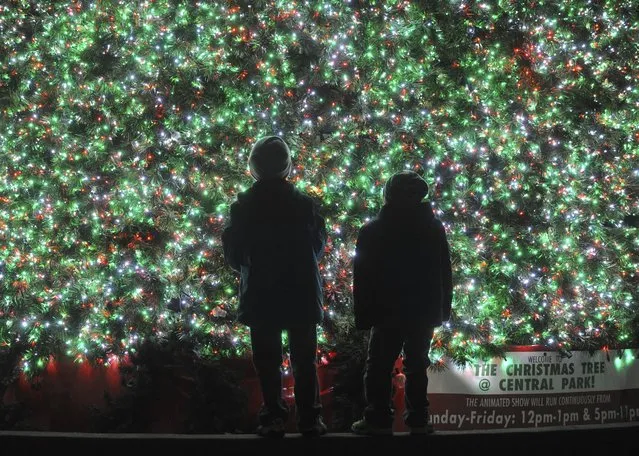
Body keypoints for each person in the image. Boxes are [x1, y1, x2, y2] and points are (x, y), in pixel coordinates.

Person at [221, 136, 328, 438]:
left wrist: (250, 265)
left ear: (253, 168)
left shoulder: (243, 207)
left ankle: (273, 419)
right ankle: (310, 418)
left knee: (267, 361)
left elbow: (234, 253)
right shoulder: (304, 205)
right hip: (301, 293)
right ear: (287, 167)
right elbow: (317, 247)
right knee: (304, 360)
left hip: (261, 293)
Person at [350, 170, 453, 436]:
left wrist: (363, 315)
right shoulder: (432, 228)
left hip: (387, 312)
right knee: (417, 364)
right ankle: (418, 419)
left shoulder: (373, 231)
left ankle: (377, 419)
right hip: (422, 311)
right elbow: (444, 272)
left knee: (379, 365)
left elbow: (362, 278)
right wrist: (442, 310)